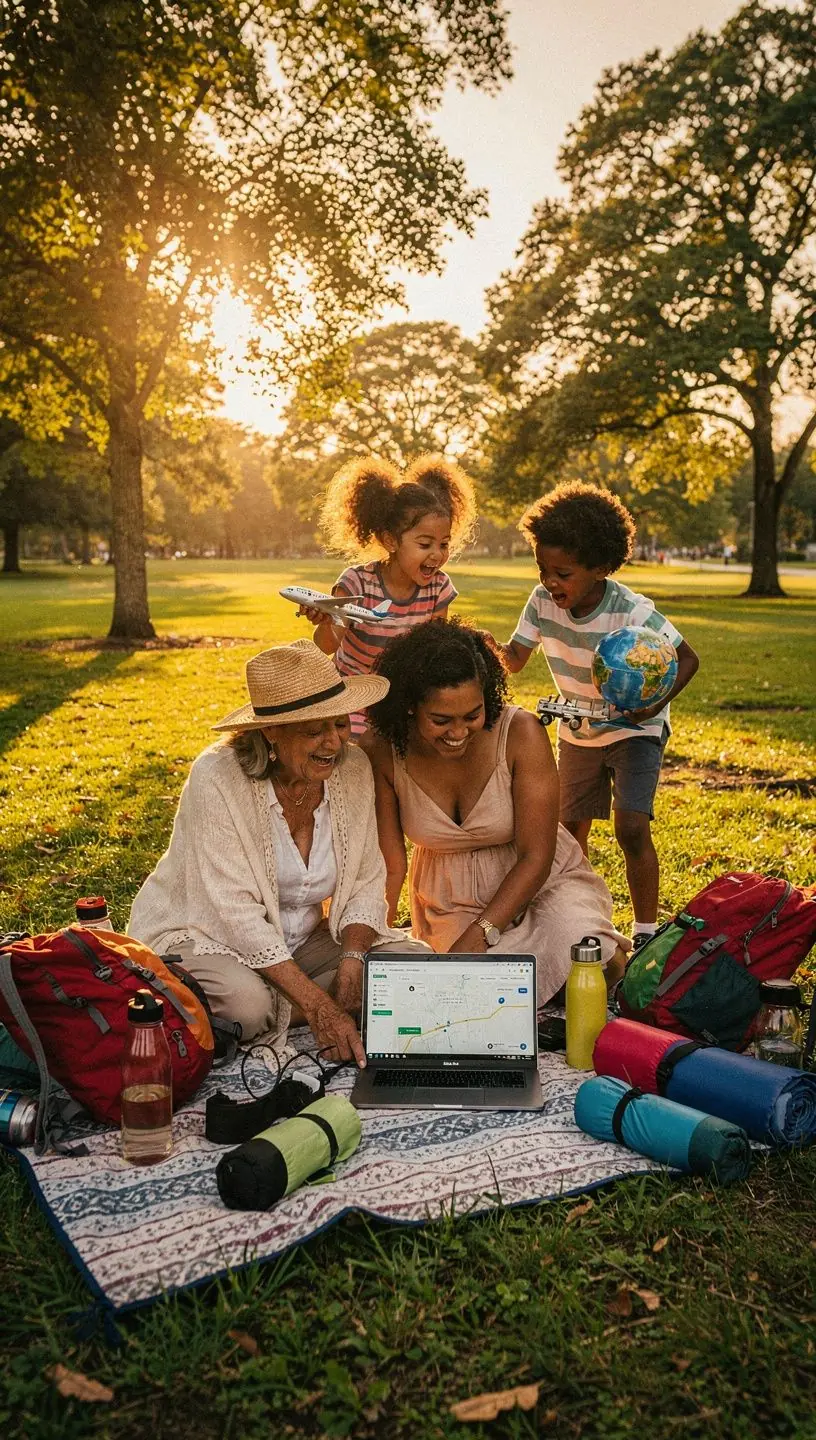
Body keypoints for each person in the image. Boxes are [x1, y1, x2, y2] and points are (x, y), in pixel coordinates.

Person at [128, 640, 428, 1065]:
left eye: (341, 724)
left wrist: (351, 964)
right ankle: (284, 1003)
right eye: (314, 731)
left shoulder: (353, 768)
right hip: (205, 931)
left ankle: (286, 1001)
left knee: (414, 964)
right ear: (271, 730)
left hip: (302, 940)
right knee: (246, 1008)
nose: (333, 743)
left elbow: (365, 880)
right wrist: (322, 1005)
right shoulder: (216, 777)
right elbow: (231, 912)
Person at [368, 619, 629, 1003]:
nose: (458, 732)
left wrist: (480, 934)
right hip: (450, 896)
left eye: (472, 715)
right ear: (409, 707)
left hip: (541, 882)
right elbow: (390, 865)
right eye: (441, 720)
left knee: (589, 960)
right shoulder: (380, 749)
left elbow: (537, 857)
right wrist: (378, 945)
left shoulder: (520, 732)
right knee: (476, 991)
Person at [487, 482, 699, 951]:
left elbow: (688, 658)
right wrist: (488, 649)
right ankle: (575, 916)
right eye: (543, 570)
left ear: (601, 567)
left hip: (635, 731)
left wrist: (652, 705)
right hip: (580, 732)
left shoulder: (630, 610)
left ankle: (645, 933)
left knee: (630, 826)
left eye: (562, 573)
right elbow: (516, 658)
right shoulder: (541, 603)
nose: (550, 582)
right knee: (566, 834)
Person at [297, 453, 477, 736]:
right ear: (390, 540)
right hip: (351, 700)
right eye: (425, 544)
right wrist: (326, 623)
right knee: (364, 748)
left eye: (444, 544)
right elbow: (326, 646)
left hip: (404, 702)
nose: (437, 555)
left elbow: (435, 655)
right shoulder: (356, 583)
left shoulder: (438, 588)